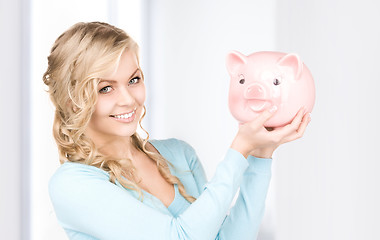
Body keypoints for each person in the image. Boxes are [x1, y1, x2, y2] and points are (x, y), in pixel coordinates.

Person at [44, 22, 311, 240]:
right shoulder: (72, 185)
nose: (128, 99)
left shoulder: (179, 155)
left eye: (133, 80)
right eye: (105, 88)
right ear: (72, 100)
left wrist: (260, 154)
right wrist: (239, 148)